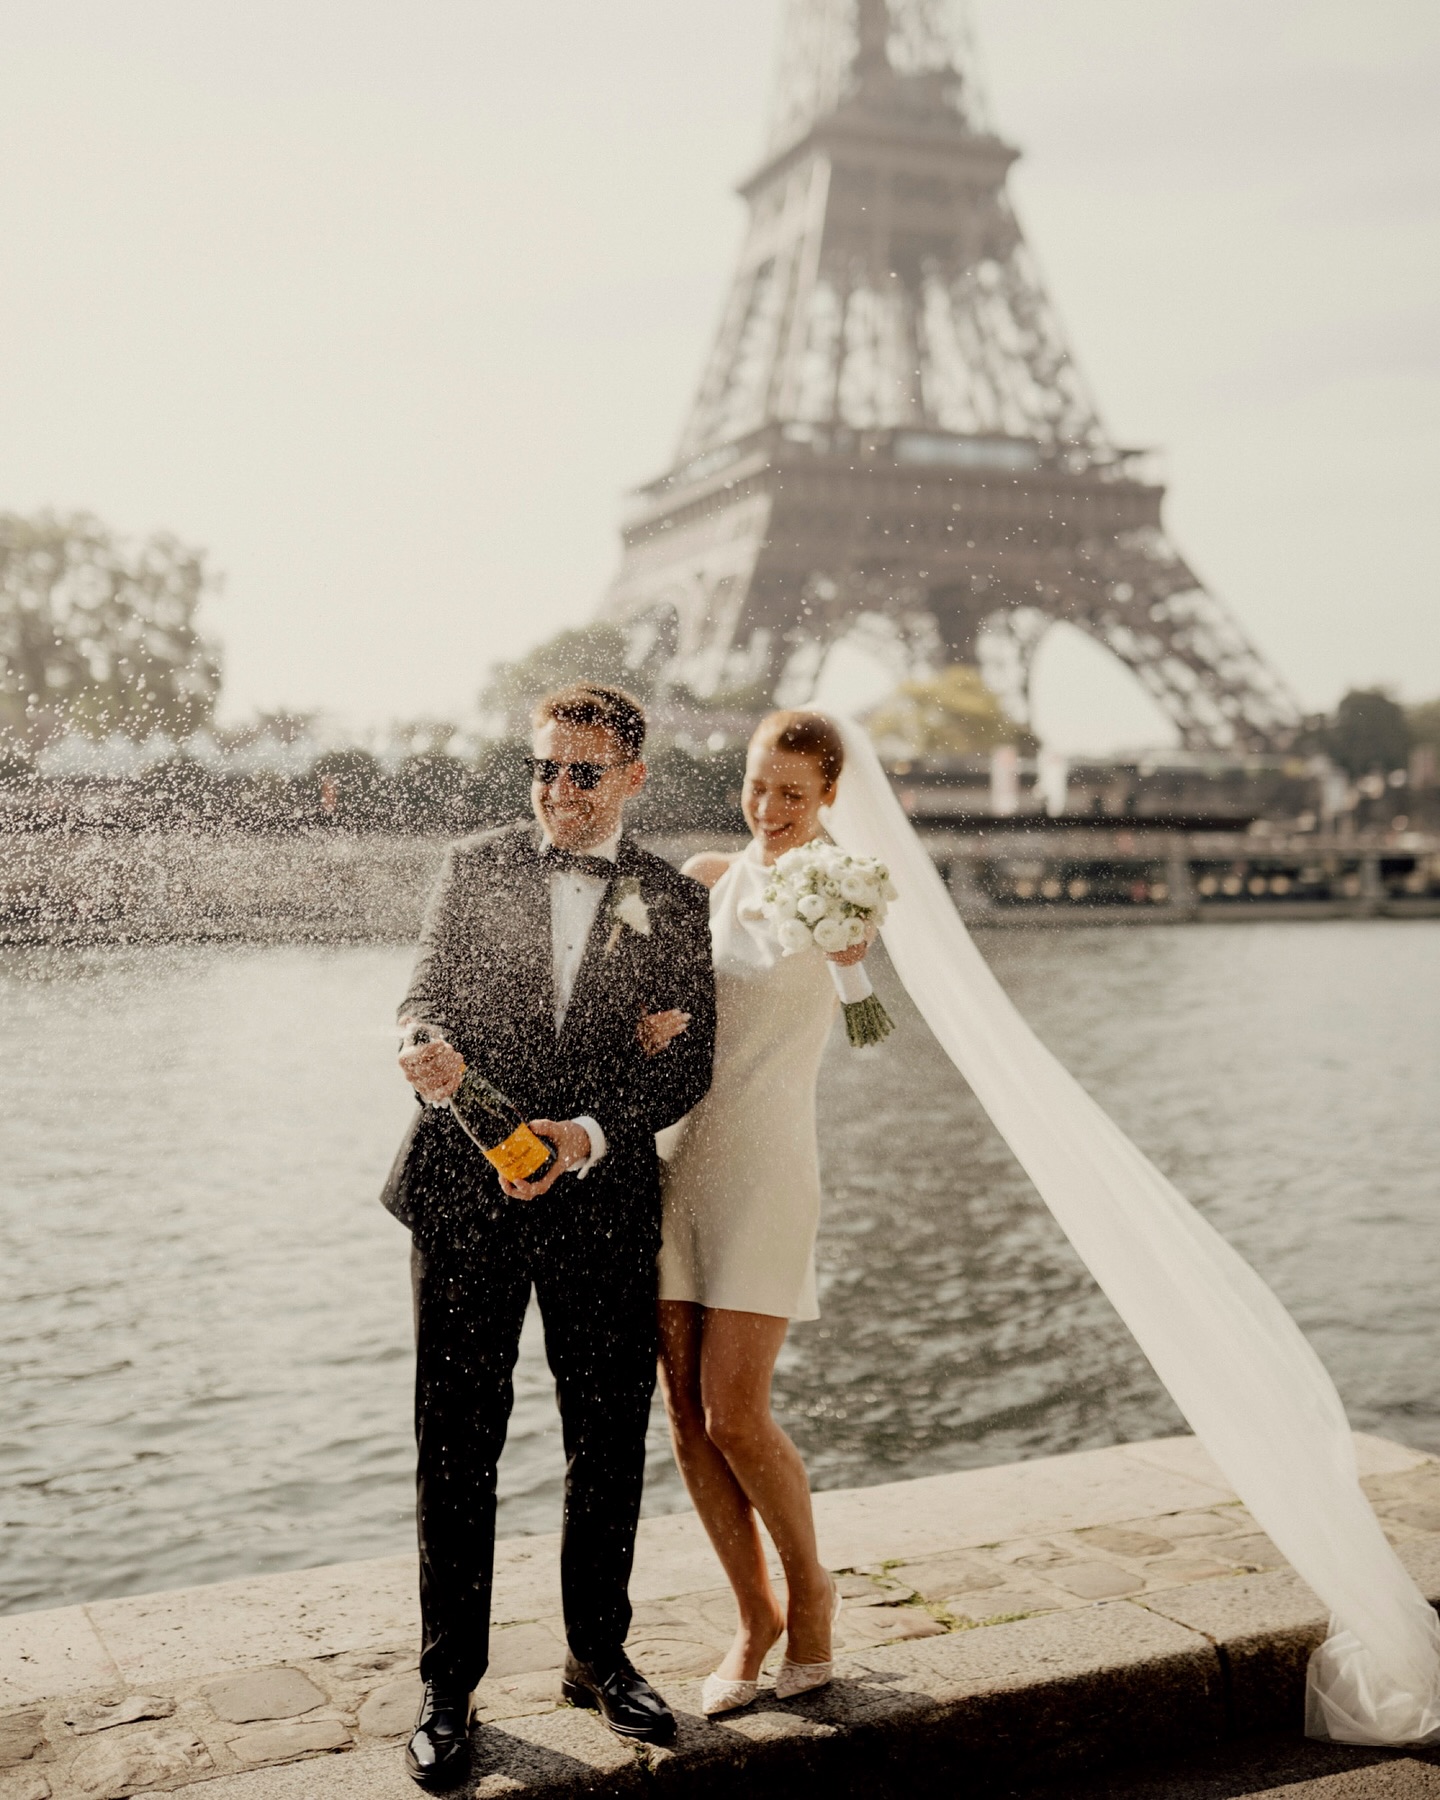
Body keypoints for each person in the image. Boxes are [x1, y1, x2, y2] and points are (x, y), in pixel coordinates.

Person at [380, 683, 716, 1788]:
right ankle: (446, 1686)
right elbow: (421, 1001)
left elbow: (685, 1065)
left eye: (581, 772)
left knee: (607, 1434)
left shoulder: (673, 901)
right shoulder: (472, 867)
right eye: (542, 770)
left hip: (601, 1203)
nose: (556, 792)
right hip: (465, 1198)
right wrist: (424, 1052)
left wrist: (581, 1136)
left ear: (632, 777)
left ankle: (598, 1657)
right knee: (456, 1439)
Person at [645, 709, 872, 1717]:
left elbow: (869, 1029)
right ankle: (755, 1616)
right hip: (676, 1162)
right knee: (687, 1420)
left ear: (828, 796)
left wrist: (852, 954)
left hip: (770, 1167)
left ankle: (811, 1594)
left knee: (739, 1410)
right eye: (757, 785)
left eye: (793, 793)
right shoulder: (702, 882)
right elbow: (649, 1016)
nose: (770, 808)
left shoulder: (842, 884)